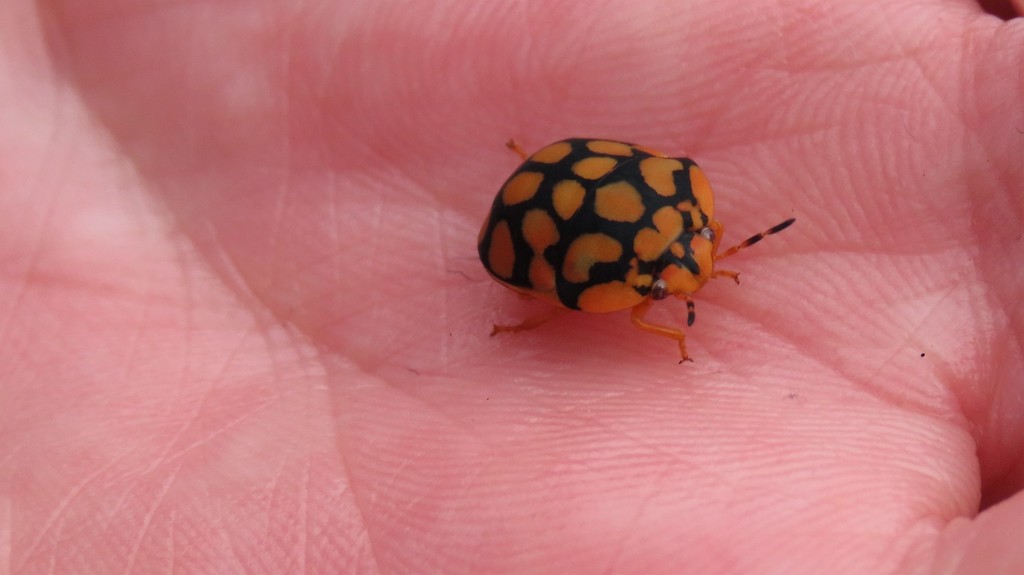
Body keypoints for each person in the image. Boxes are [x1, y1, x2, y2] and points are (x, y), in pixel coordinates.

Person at [3, 1, 1021, 572]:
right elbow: (577, 284)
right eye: (681, 288)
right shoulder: (624, 276)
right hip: (544, 212)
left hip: (561, 185)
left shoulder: (676, 221)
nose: (692, 287)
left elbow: (652, 192)